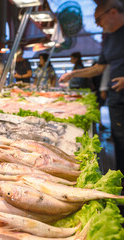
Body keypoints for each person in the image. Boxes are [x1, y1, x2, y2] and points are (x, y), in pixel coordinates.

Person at [59, 0, 124, 173]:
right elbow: (98, 68)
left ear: (113, 12)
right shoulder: (109, 38)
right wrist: (73, 74)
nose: (96, 24)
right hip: (117, 98)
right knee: (119, 139)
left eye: (98, 19)